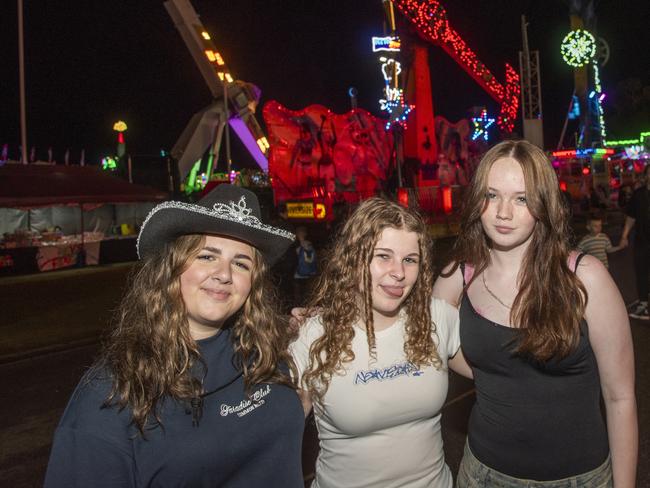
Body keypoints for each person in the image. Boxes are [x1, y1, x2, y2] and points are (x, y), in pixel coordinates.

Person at [44, 185, 304, 487]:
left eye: (241, 263)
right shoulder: (114, 390)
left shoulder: (266, 353)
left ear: (253, 283)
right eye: (207, 256)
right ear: (172, 267)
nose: (224, 274)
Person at [433, 140, 637, 487]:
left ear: (543, 203)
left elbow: (620, 397)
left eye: (521, 198)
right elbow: (420, 342)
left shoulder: (585, 279)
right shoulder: (458, 277)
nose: (503, 212)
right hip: (483, 474)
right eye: (492, 195)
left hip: (578, 478)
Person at [290, 198, 467, 488]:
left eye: (410, 259)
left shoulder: (437, 318)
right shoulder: (314, 336)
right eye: (383, 256)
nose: (398, 272)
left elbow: (497, 373)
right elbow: (275, 434)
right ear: (354, 258)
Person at [619, 163, 650, 320]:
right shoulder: (639, 195)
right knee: (642, 272)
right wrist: (624, 235)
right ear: (646, 176)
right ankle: (644, 304)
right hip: (642, 241)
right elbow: (631, 217)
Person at [293, 225, 318, 306]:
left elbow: (294, 259)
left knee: (298, 297)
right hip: (309, 274)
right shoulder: (310, 244)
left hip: (298, 275)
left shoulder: (297, 245)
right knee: (307, 296)